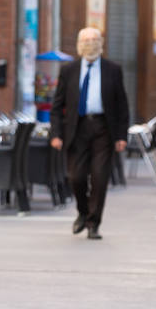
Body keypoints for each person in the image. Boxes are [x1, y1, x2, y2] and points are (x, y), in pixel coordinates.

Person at [50, 27, 130, 240]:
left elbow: (122, 105)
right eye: (86, 40)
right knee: (75, 177)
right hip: (77, 129)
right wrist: (55, 134)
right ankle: (83, 212)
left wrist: (122, 136)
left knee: (100, 176)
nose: (90, 44)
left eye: (94, 40)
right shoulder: (68, 71)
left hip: (104, 129)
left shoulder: (113, 69)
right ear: (78, 44)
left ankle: (94, 223)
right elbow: (57, 106)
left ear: (101, 43)